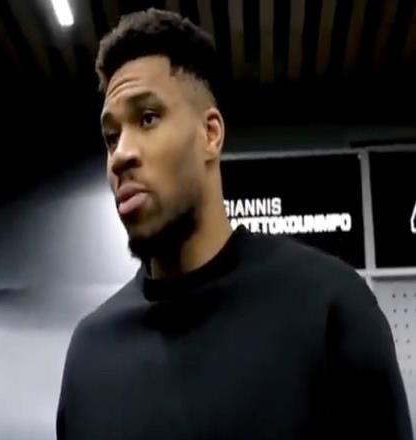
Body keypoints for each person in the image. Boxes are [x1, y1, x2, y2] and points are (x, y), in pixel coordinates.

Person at [56, 8, 413, 440]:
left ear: (210, 134)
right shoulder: (90, 354)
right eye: (111, 137)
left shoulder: (329, 308)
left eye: (147, 118)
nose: (120, 155)